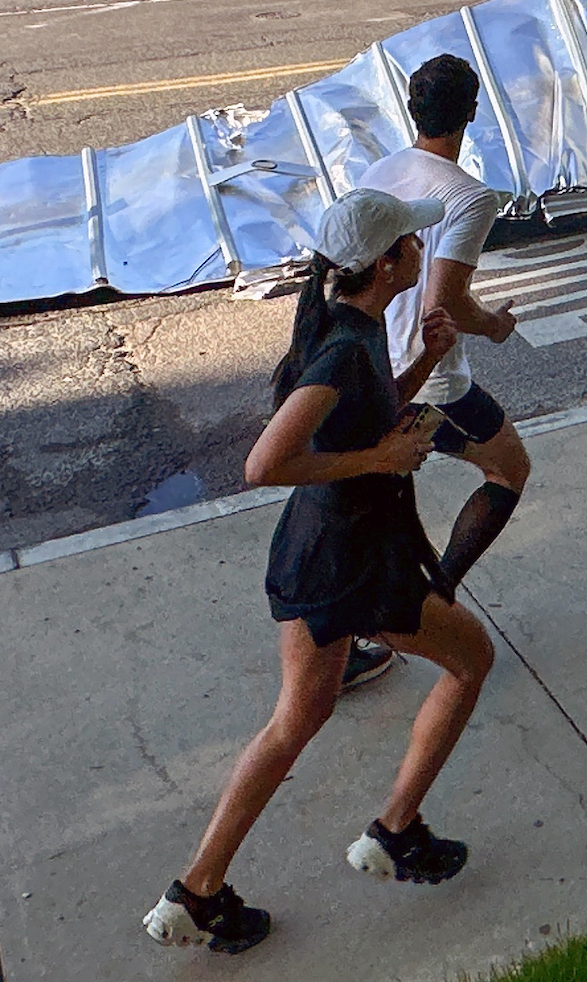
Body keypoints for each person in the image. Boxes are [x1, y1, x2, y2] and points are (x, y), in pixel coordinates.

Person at [142, 189, 496, 955]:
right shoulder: (340, 348)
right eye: (410, 242)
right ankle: (395, 831)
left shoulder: (352, 328)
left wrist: (425, 364)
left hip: (318, 554)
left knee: (296, 720)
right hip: (356, 562)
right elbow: (264, 464)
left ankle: (197, 891)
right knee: (472, 662)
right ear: (385, 262)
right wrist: (381, 458)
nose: (420, 251)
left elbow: (360, 416)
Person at [342, 54, 528, 695]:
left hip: (369, 367)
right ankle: (428, 604)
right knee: (508, 469)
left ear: (413, 111)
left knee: (376, 506)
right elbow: (441, 307)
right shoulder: (469, 196)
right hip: (430, 381)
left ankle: (359, 636)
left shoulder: (381, 170)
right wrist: (495, 325)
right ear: (472, 112)